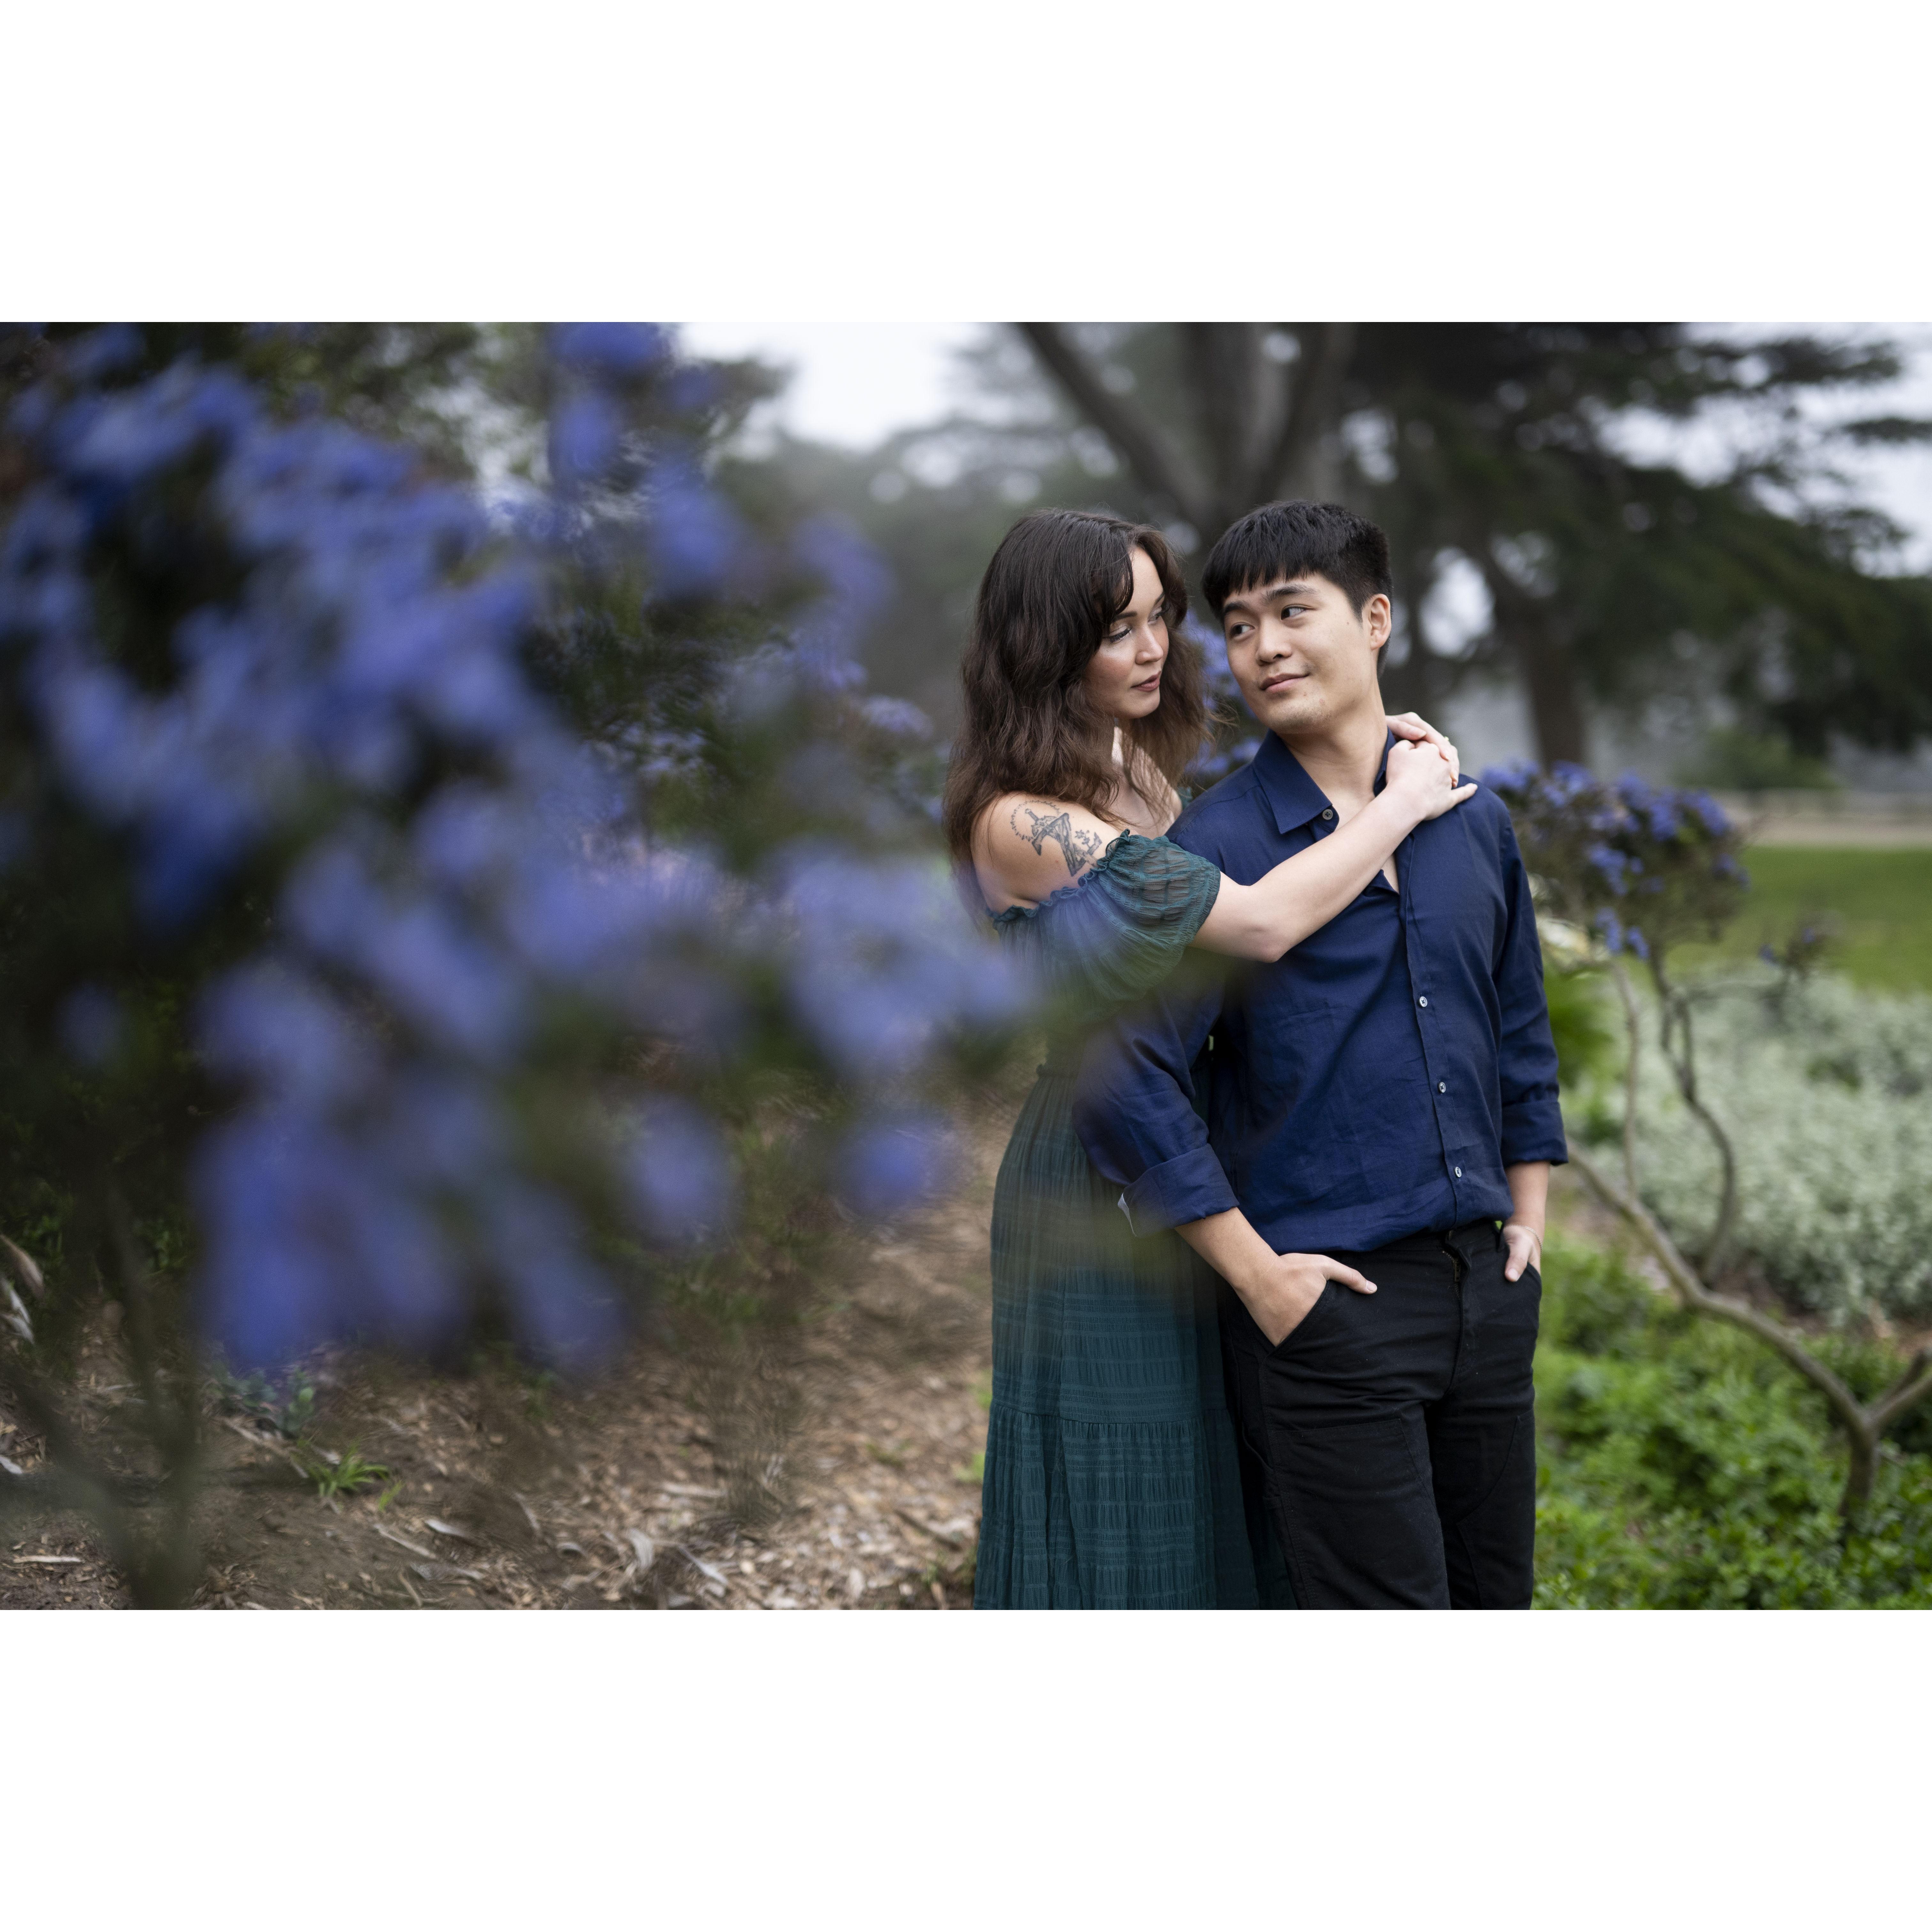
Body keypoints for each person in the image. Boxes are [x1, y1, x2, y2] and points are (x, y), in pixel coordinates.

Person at [944, 507, 1475, 1609]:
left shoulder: (1139, 777)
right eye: (1117, 631)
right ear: (1047, 647)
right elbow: (1263, 922)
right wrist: (1403, 802)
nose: (1154, 650)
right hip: (1093, 1169)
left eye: (1162, 619)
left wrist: (1363, 741)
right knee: (1122, 1483)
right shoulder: (1020, 824)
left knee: (1214, 1473)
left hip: (1195, 1152)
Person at [1073, 500, 1568, 1610]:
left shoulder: (1473, 822)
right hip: (1329, 1308)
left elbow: (1518, 1027)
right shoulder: (1217, 847)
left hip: (1487, 1293)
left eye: (1294, 612)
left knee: (1498, 1606)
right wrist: (1263, 1281)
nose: (1264, 648)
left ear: (1376, 618)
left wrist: (1528, 1227)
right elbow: (1125, 1070)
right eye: (1240, 627)